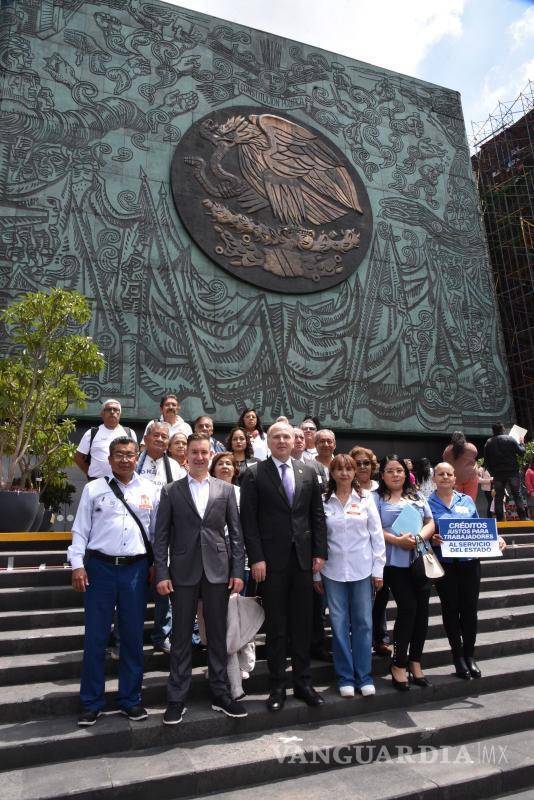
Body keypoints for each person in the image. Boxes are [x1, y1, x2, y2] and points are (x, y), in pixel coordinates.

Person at [153, 433, 246, 724]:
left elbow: (235, 535)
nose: (200, 457)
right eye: (194, 452)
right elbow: (162, 536)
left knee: (217, 636)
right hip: (182, 572)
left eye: (204, 452)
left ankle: (220, 694)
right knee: (181, 636)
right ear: (186, 455)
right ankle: (177, 697)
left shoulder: (226, 490)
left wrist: (237, 571)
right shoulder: (171, 490)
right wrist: (162, 572)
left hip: (218, 572)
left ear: (210, 454)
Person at [68, 436, 157, 726]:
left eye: (130, 454)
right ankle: (91, 702)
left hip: (135, 570)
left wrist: (158, 565)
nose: (124, 459)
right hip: (100, 569)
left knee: (132, 637)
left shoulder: (149, 490)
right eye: (118, 455)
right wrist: (77, 565)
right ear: (109, 459)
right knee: (96, 637)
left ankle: (130, 699)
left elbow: (156, 533)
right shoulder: (94, 489)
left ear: (137, 456)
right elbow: (80, 530)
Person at [240, 421, 328, 712]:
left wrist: (319, 553)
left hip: (304, 561)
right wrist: (256, 558)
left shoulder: (310, 471)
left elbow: (317, 516)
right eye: (276, 436)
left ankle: (304, 683)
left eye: (286, 437)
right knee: (277, 627)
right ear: (269, 441)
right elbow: (248, 521)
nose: (281, 441)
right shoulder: (253, 473)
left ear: (295, 441)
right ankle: (277, 686)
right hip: (271, 563)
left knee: (303, 625)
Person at [314, 454, 385, 697]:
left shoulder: (366, 499)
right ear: (331, 473)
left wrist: (378, 570)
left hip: (362, 571)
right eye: (339, 469)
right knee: (339, 623)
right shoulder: (324, 501)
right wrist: (316, 575)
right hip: (332, 572)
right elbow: (319, 539)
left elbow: (377, 536)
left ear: (355, 473)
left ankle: (364, 676)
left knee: (364, 624)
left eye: (349, 469)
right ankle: (345, 676)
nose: (344, 473)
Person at [429, 462, 506, 679]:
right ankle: (458, 657)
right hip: (445, 565)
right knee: (451, 610)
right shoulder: (427, 504)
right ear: (434, 478)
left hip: (470, 563)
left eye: (449, 474)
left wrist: (496, 537)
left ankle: (470, 655)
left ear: (455, 478)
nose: (445, 477)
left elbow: (478, 526)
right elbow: (423, 531)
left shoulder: (467, 501)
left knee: (470, 610)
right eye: (440, 474)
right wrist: (432, 538)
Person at [373, 455, 435, 691]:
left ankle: (415, 662)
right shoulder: (376, 498)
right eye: (390, 471)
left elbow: (430, 521)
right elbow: (374, 527)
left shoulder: (417, 495)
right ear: (383, 475)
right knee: (408, 608)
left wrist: (421, 536)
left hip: (419, 559)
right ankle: (398, 663)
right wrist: (397, 540)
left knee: (422, 612)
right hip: (393, 562)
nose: (395, 474)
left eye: (398, 470)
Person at [204, 452, 262, 699]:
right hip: (212, 562)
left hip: (241, 562)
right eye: (220, 463)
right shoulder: (204, 491)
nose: (225, 467)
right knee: (218, 618)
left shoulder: (242, 493)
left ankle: (242, 663)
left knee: (238, 615)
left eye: (229, 463)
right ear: (212, 468)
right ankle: (222, 667)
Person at [137, 421, 184, 654]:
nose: (160, 440)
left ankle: (161, 634)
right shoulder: (132, 462)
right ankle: (122, 637)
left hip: (165, 537)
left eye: (165, 437)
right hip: (136, 536)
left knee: (164, 590)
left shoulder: (175, 467)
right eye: (156, 435)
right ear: (145, 438)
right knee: (132, 591)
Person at [292, 427, 329, 661]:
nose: (297, 440)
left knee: (315, 603)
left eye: (299, 436)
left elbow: (320, 509)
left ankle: (316, 644)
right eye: (291, 436)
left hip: (309, 544)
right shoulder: (269, 467)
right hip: (286, 546)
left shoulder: (315, 468)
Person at [349, 446, 390, 657]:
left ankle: (380, 637)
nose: (362, 467)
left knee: (381, 597)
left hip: (385, 552)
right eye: (358, 463)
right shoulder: (348, 488)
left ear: (373, 466)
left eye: (366, 463)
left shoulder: (381, 489)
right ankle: (357, 638)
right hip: (357, 554)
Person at [74, 399, 137, 480]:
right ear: (102, 414)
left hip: (122, 482)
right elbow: (78, 458)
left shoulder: (129, 433)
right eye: (108, 409)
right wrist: (90, 473)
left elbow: (134, 456)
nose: (112, 412)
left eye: (115, 409)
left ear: (120, 414)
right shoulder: (91, 433)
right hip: (97, 481)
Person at [484, 422, 527, 521]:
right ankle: (523, 517)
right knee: (517, 494)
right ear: (502, 429)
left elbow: (486, 460)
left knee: (499, 497)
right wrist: (521, 443)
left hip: (498, 474)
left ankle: (499, 520)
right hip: (512, 472)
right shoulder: (510, 439)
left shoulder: (489, 442)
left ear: (493, 430)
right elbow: (521, 452)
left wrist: (492, 473)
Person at [443, 432, 479, 501]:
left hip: (455, 479)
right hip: (470, 477)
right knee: (470, 501)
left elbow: (444, 459)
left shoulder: (448, 449)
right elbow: (475, 454)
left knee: (456, 501)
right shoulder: (471, 447)